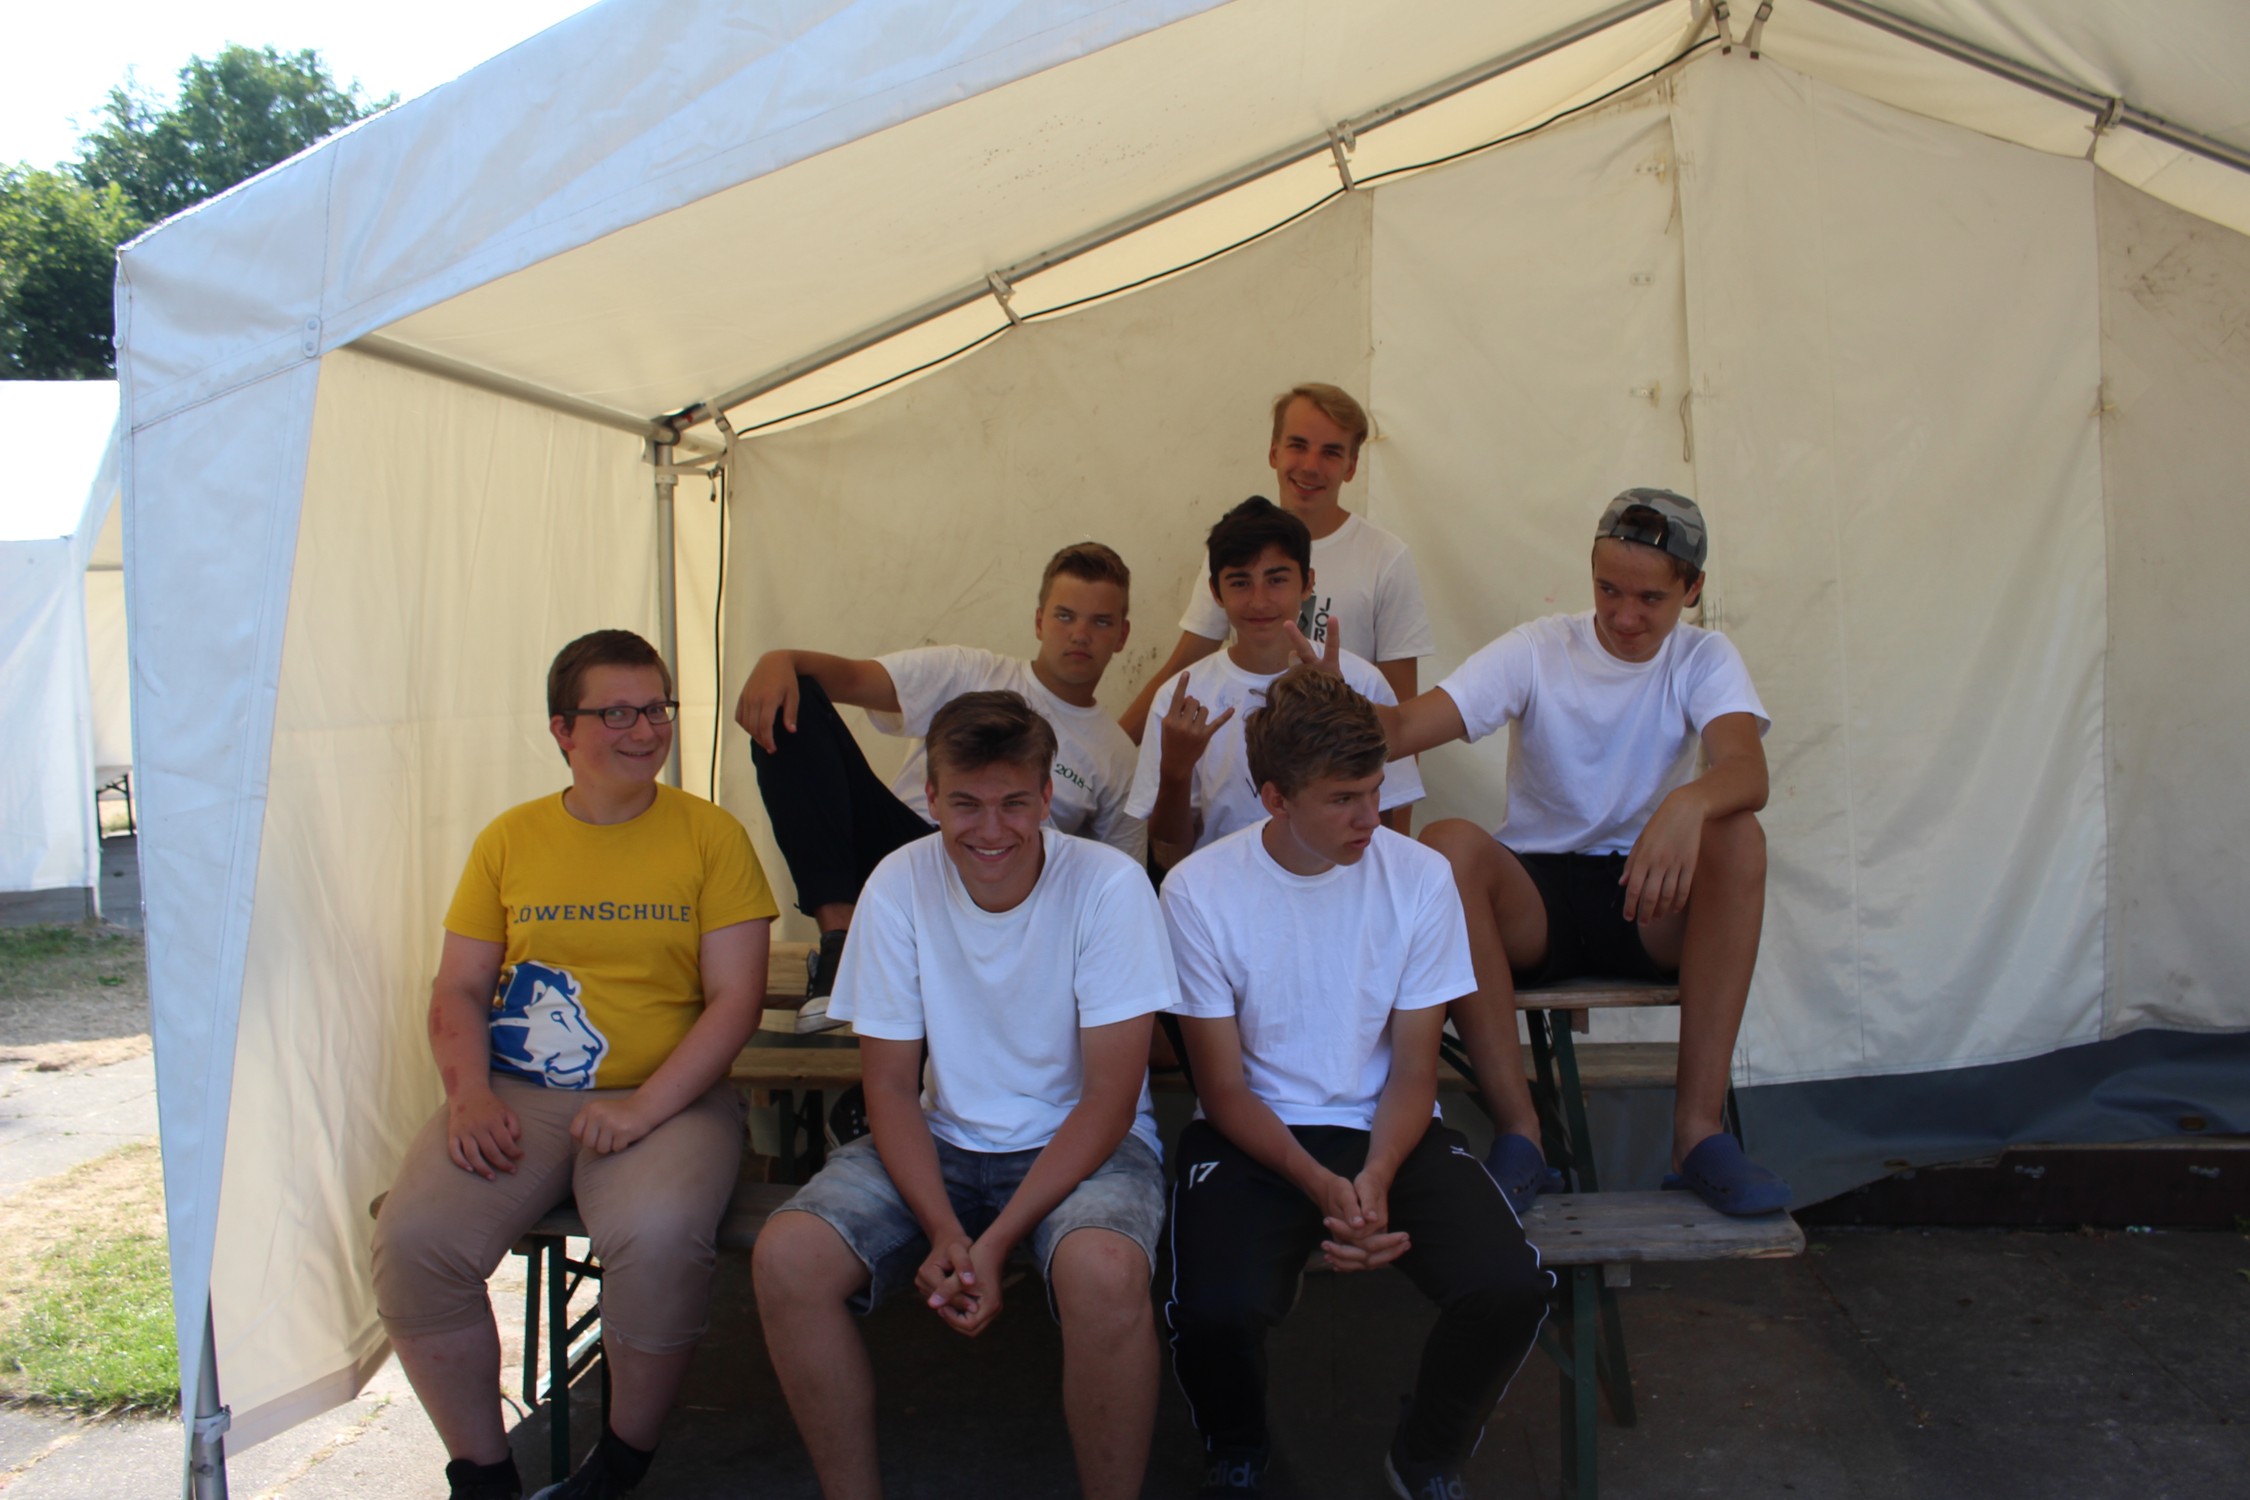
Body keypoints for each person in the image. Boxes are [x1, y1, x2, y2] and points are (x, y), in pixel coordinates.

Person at [372, 629, 777, 1500]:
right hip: (518, 1094)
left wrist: (643, 1109)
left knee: (658, 1237)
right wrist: (468, 1095)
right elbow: (458, 989)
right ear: (563, 729)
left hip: (667, 1098)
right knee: (413, 1245)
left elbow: (735, 1002)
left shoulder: (711, 836)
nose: (646, 729)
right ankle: (483, 1478)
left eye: (657, 708)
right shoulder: (510, 839)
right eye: (617, 713)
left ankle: (616, 1466)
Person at [750, 691, 1176, 1500]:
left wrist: (994, 1242)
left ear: (1047, 798)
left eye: (1014, 802)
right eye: (966, 804)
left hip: (1084, 1142)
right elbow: (888, 1087)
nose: (990, 829)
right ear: (932, 798)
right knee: (787, 1257)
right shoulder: (898, 882)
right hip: (942, 1138)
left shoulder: (1110, 886)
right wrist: (948, 1229)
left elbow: (1110, 1101)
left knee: (1105, 1270)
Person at [1336, 487, 1786, 1217]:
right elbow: (1407, 728)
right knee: (1447, 845)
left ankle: (1698, 1134)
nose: (1624, 616)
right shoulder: (1541, 647)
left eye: (1650, 598)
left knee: (1739, 834)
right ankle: (1521, 1134)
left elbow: (1747, 771)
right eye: (1608, 590)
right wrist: (1332, 699)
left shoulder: (1705, 657)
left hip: (1647, 896)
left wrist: (1687, 803)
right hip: (1538, 900)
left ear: (1693, 590)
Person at [1160, 670, 1551, 1500]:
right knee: (1213, 1309)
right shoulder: (1199, 889)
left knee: (1509, 1288)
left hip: (1389, 1128)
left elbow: (1414, 1069)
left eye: (1374, 790)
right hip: (1258, 1131)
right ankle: (1237, 1444)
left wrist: (1375, 1175)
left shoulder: (1420, 877)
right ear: (1274, 798)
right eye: (1343, 799)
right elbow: (1223, 1090)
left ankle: (1427, 1454)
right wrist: (1319, 1182)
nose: (1370, 817)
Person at [734, 541, 1142, 1028]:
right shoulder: (968, 671)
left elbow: (1117, 884)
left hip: (999, 895)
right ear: (1038, 621)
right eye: (1065, 616)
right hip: (902, 854)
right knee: (792, 704)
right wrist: (780, 659)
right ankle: (841, 946)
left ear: (1122, 635)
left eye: (1101, 622)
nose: (1080, 635)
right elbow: (851, 678)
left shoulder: (1118, 756)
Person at [1119, 383, 1431, 742]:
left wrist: (1387, 783)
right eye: (1298, 445)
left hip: (1339, 763)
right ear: (1273, 452)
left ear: (1351, 466)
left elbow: (1403, 714)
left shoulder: (1387, 558)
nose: (1310, 466)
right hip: (1249, 756)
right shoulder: (1234, 547)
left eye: (1331, 453)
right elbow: (1181, 670)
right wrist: (1109, 752)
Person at [1126, 497, 1421, 870]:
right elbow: (1169, 856)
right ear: (1215, 591)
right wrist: (1176, 771)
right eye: (1240, 583)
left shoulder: (1362, 683)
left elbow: (1389, 822)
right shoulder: (1180, 700)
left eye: (1276, 580)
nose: (1259, 601)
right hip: (1224, 895)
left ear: (1308, 583)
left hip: (1337, 892)